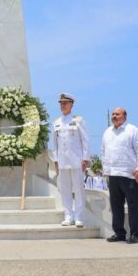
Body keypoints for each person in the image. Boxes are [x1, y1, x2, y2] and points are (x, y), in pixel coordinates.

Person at [101, 107, 138, 244]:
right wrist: (106, 170)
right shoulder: (107, 132)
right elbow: (103, 152)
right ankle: (119, 233)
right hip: (113, 174)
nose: (114, 116)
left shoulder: (132, 130)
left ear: (125, 116)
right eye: (113, 114)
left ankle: (135, 234)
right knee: (116, 206)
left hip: (130, 174)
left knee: (133, 206)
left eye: (117, 114)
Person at [52, 94, 89, 227]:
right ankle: (68, 215)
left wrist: (85, 158)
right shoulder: (56, 123)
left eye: (66, 103)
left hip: (76, 160)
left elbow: (85, 140)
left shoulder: (78, 120)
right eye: (61, 103)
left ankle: (78, 215)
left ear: (72, 104)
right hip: (62, 161)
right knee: (65, 189)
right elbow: (54, 144)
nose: (63, 105)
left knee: (78, 189)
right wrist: (55, 160)